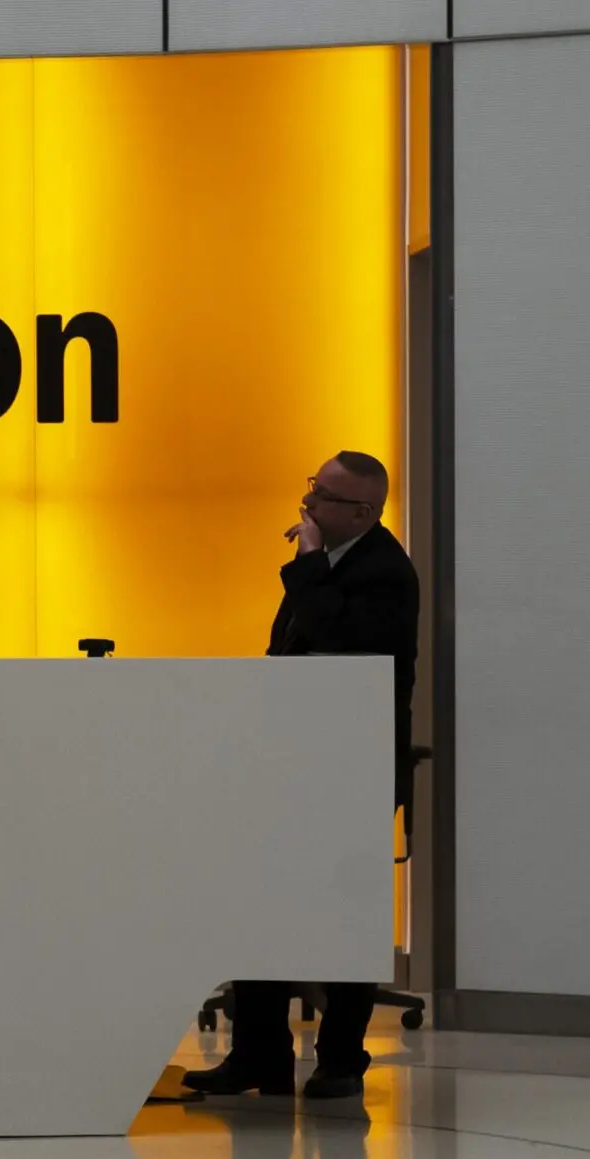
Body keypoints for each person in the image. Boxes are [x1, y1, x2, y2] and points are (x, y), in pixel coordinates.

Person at [184, 451, 419, 1101]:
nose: (308, 502)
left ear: (363, 513)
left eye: (324, 495)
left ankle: (340, 1059)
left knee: (343, 912)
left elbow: (334, 640)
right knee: (260, 903)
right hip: (292, 764)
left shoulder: (385, 572)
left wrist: (309, 560)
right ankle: (258, 1053)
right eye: (312, 488)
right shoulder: (322, 567)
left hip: (352, 769)